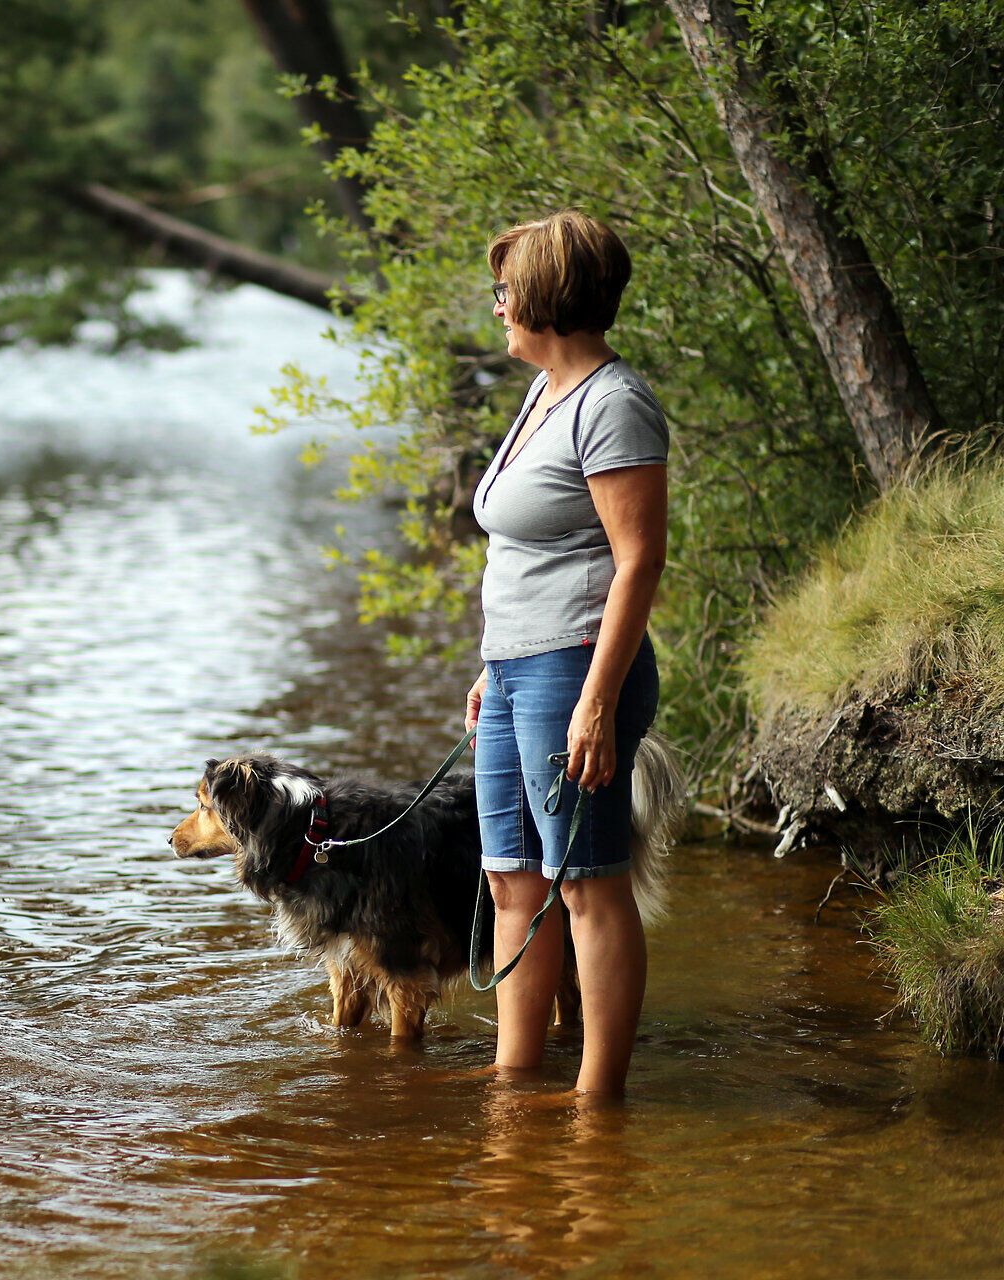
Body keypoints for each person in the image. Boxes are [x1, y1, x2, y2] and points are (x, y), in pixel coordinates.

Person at [463, 209, 668, 1097]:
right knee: (510, 879)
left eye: (505, 290)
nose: (497, 305)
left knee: (584, 882)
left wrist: (594, 701)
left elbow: (638, 560)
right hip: (516, 668)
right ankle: (515, 1080)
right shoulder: (546, 392)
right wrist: (490, 666)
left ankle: (597, 1102)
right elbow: (529, 549)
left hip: (574, 668)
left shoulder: (613, 403)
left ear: (545, 297)